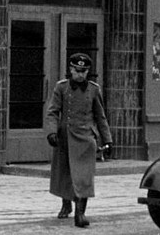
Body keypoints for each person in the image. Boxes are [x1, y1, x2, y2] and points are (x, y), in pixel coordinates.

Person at [45, 53, 113, 228]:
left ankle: (80, 214)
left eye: (84, 71)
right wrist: (52, 132)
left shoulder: (93, 89)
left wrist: (108, 140)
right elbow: (53, 112)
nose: (81, 75)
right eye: (77, 71)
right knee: (66, 173)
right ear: (71, 69)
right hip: (65, 137)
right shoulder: (62, 88)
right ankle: (66, 204)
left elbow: (100, 116)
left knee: (84, 177)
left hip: (86, 139)